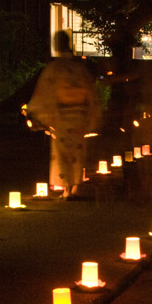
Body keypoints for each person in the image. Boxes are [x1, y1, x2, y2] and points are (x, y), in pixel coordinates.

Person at [28, 31, 101, 199]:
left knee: (63, 153)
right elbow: (91, 93)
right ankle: (74, 187)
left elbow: (44, 93)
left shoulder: (54, 69)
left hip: (62, 115)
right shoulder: (79, 69)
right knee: (77, 151)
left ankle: (68, 188)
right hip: (79, 115)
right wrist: (93, 113)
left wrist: (37, 113)